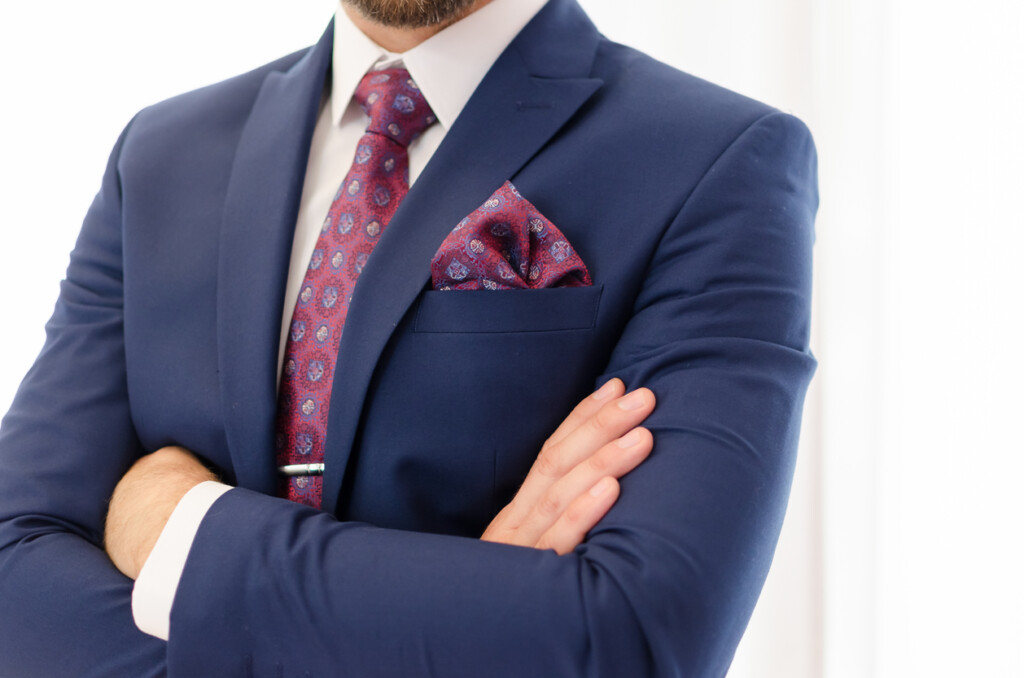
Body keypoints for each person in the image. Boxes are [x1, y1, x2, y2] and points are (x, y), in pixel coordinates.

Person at [0, 0, 818, 675]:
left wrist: (185, 528)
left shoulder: (715, 160)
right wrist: (469, 618)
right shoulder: (161, 156)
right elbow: (13, 573)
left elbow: (634, 638)